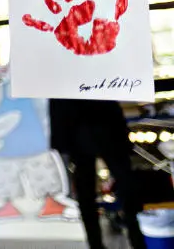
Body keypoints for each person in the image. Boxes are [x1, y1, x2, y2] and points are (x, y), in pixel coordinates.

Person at [49, 99, 146, 249]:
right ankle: (135, 237)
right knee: (122, 187)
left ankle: (100, 242)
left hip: (84, 128)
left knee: (89, 193)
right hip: (98, 126)